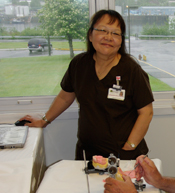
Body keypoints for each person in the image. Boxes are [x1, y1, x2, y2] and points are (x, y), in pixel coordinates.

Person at [19, 10, 154, 160]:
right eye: (102, 30)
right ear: (90, 35)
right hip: (88, 153)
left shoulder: (131, 70)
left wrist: (130, 147)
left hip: (123, 155)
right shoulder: (79, 64)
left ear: (121, 40)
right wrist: (43, 121)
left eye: (115, 33)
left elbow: (146, 112)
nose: (108, 37)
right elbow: (65, 97)